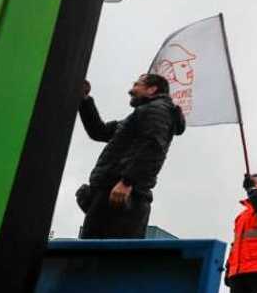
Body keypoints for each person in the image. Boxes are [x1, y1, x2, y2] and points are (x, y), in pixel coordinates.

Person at [77, 76, 185, 238]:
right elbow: (100, 132)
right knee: (93, 250)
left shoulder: (157, 111)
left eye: (137, 85)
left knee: (101, 252)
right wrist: (85, 100)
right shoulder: (142, 114)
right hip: (113, 194)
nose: (131, 90)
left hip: (123, 196)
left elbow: (152, 147)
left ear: (152, 89)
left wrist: (127, 182)